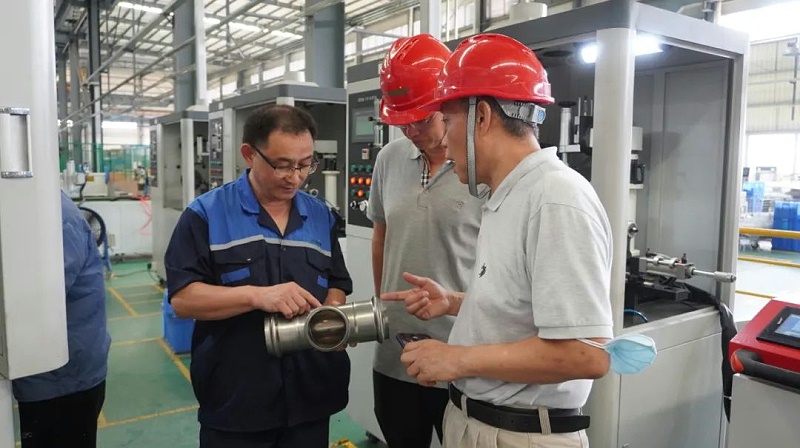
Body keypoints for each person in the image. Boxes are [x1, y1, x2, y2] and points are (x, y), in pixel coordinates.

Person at [383, 34, 614, 448]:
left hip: (520, 435)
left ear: (482, 117)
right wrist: (454, 301)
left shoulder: (555, 198)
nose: (444, 141)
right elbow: (520, 308)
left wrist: (456, 359)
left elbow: (586, 354)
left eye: (448, 121)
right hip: (481, 424)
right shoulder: (505, 194)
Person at [164, 104, 353, 448]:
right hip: (237, 401)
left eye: (305, 164)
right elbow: (183, 299)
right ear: (249, 155)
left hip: (310, 396)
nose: (295, 177)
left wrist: (332, 314)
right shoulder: (205, 215)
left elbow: (337, 282)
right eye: (282, 165)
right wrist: (257, 295)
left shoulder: (320, 216)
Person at [368, 34, 485, 447]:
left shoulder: (482, 167)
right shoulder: (388, 160)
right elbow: (381, 235)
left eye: (423, 118)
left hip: (460, 350)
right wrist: (383, 306)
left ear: (449, 105)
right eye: (403, 122)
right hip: (394, 350)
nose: (412, 130)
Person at [13, 191, 111, 448]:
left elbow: (33, 301)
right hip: (45, 375)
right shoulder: (32, 208)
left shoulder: (55, 220)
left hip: (64, 380)